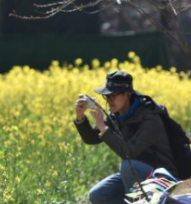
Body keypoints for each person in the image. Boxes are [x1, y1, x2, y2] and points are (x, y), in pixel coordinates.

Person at [74, 71, 177, 204]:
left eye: (113, 95)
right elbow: (92, 139)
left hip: (163, 175)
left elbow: (128, 152)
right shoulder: (117, 115)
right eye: (107, 96)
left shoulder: (150, 117)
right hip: (137, 174)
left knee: (128, 166)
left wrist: (102, 126)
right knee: (98, 195)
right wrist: (80, 118)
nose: (109, 100)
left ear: (127, 94)